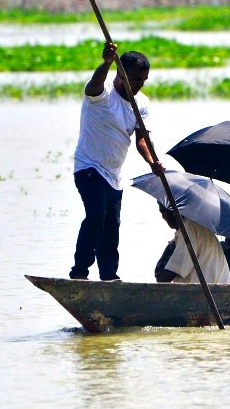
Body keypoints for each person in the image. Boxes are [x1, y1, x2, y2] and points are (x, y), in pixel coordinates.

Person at [69, 42, 164, 281]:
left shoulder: (141, 103)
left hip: (114, 175)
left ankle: (109, 276)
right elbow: (93, 87)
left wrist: (153, 162)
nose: (138, 84)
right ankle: (79, 272)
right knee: (96, 217)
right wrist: (107, 62)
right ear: (121, 73)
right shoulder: (103, 93)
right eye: (134, 78)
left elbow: (142, 140)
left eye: (143, 80)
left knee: (112, 228)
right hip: (89, 167)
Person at [154, 203, 230, 284]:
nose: (166, 215)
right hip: (216, 289)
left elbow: (173, 269)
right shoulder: (196, 225)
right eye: (162, 211)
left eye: (170, 210)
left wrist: (155, 290)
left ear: (180, 209)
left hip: (206, 292)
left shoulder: (189, 228)